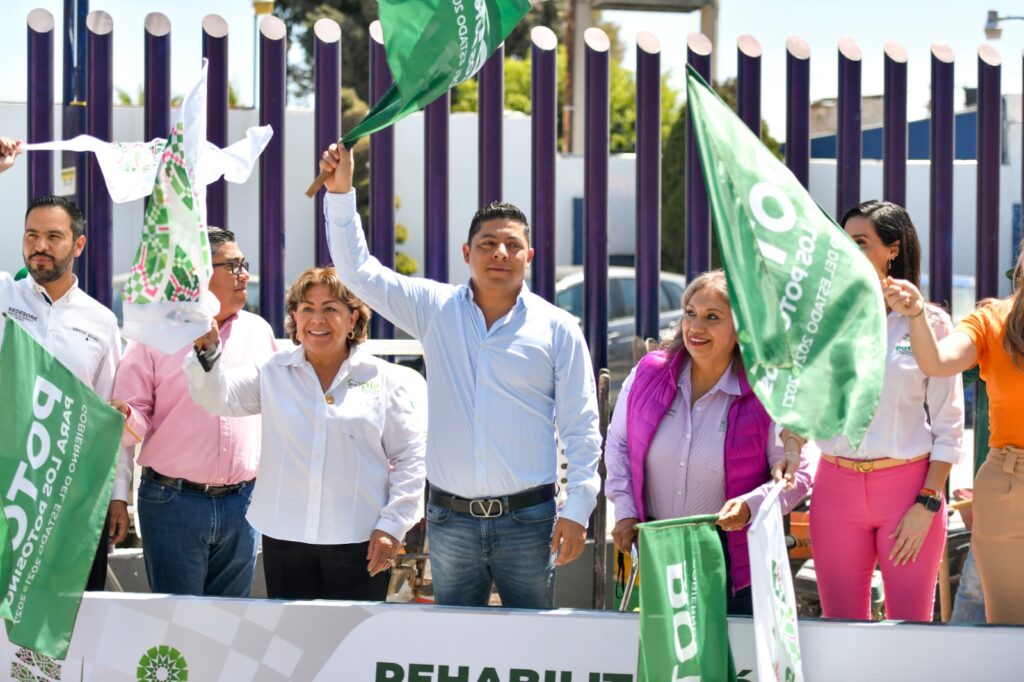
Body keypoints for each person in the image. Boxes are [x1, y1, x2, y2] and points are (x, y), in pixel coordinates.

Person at [319, 144, 602, 609]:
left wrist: (578, 508)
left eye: (512, 244)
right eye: (488, 243)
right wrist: (342, 193)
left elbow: (581, 428)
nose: (500, 252)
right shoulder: (435, 310)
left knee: (531, 648)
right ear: (467, 252)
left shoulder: (558, 329)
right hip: (451, 522)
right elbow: (358, 273)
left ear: (529, 255)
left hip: (529, 521)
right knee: (455, 651)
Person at [184, 267, 427, 600]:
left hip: (363, 541)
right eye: (307, 309)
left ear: (353, 318)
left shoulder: (384, 379)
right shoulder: (272, 372)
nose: (317, 319)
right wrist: (208, 350)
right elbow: (216, 397)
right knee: (291, 646)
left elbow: (410, 458)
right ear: (295, 317)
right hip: (286, 539)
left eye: (330, 308)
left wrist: (392, 526)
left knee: (351, 645)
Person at [605, 269, 812, 614]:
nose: (695, 327)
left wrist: (751, 506)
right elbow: (618, 446)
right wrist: (625, 511)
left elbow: (798, 474)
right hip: (658, 554)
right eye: (690, 313)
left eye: (712, 317)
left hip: (734, 565)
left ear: (741, 330)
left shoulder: (766, 393)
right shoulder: (649, 373)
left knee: (728, 666)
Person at [812, 200, 964, 622]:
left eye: (860, 242)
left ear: (892, 250)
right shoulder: (825, 323)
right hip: (835, 488)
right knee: (840, 628)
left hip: (908, 494)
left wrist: (928, 503)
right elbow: (804, 406)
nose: (848, 251)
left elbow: (950, 426)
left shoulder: (930, 322)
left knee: (911, 629)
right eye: (843, 242)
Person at [111, 228, 276, 597]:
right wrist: (124, 419)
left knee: (230, 628)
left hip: (243, 503)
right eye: (233, 265)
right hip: (173, 504)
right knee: (177, 629)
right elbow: (133, 416)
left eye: (244, 264)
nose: (244, 274)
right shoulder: (154, 336)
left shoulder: (259, 332)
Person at [885, 239, 1024, 625]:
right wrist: (915, 314)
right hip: (1010, 483)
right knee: (1009, 629)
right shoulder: (993, 320)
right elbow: (937, 362)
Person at [0, 195, 133, 590]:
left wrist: (118, 496)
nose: (39, 246)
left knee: (71, 614)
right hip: (7, 487)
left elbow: (111, 419)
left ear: (78, 245)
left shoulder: (102, 321)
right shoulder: (5, 295)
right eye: (31, 235)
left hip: (71, 496)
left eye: (53, 236)